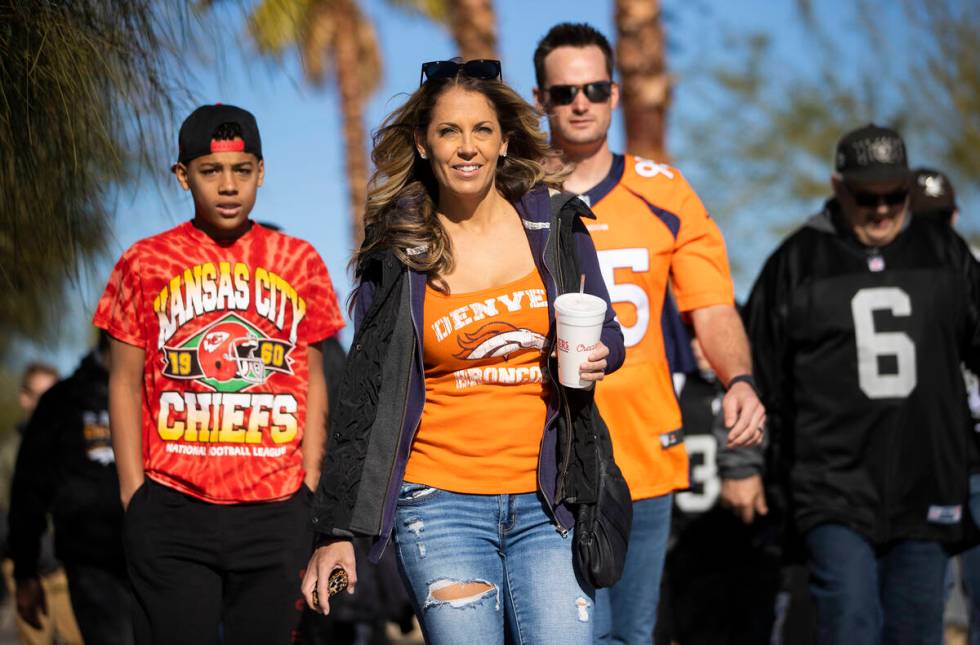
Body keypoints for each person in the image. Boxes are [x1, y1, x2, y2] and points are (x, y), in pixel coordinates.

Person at [303, 58, 625, 643]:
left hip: (548, 498)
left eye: (481, 129)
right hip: (438, 502)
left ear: (505, 141)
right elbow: (363, 394)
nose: (466, 146)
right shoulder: (399, 247)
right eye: (448, 131)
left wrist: (598, 354)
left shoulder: (555, 226)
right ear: (424, 145)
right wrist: (334, 530)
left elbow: (607, 332)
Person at [531, 22, 766, 642]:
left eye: (593, 87)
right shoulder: (513, 196)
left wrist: (737, 377)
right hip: (540, 451)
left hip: (641, 448)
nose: (579, 102)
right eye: (563, 93)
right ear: (540, 100)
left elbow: (711, 305)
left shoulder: (663, 191)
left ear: (614, 94)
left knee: (631, 635)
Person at [93, 103, 345, 645]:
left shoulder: (298, 260)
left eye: (241, 170)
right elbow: (122, 380)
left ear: (260, 172)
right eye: (211, 171)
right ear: (183, 176)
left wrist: (312, 479)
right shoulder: (145, 262)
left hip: (277, 509)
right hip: (171, 507)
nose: (227, 186)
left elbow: (315, 375)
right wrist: (132, 494)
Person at [735, 124, 980, 645]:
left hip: (927, 482)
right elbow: (752, 371)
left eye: (896, 195)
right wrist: (744, 465)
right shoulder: (797, 262)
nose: (883, 210)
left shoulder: (943, 253)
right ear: (838, 187)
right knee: (849, 624)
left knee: (915, 632)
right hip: (831, 485)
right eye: (867, 197)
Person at [8, 332, 135, 644]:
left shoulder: (158, 394)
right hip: (91, 565)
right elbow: (29, 491)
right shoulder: (62, 402)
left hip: (155, 558)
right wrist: (25, 571)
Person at [909, 168, 980, 644]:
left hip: (971, 456)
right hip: (918, 460)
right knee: (918, 601)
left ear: (954, 217)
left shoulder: (971, 273)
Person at [1, 363, 83, 645]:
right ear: (25, 398)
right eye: (40, 395)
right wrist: (23, 570)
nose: (49, 404)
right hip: (27, 568)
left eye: (54, 394)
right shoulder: (9, 453)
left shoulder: (73, 449)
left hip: (68, 568)